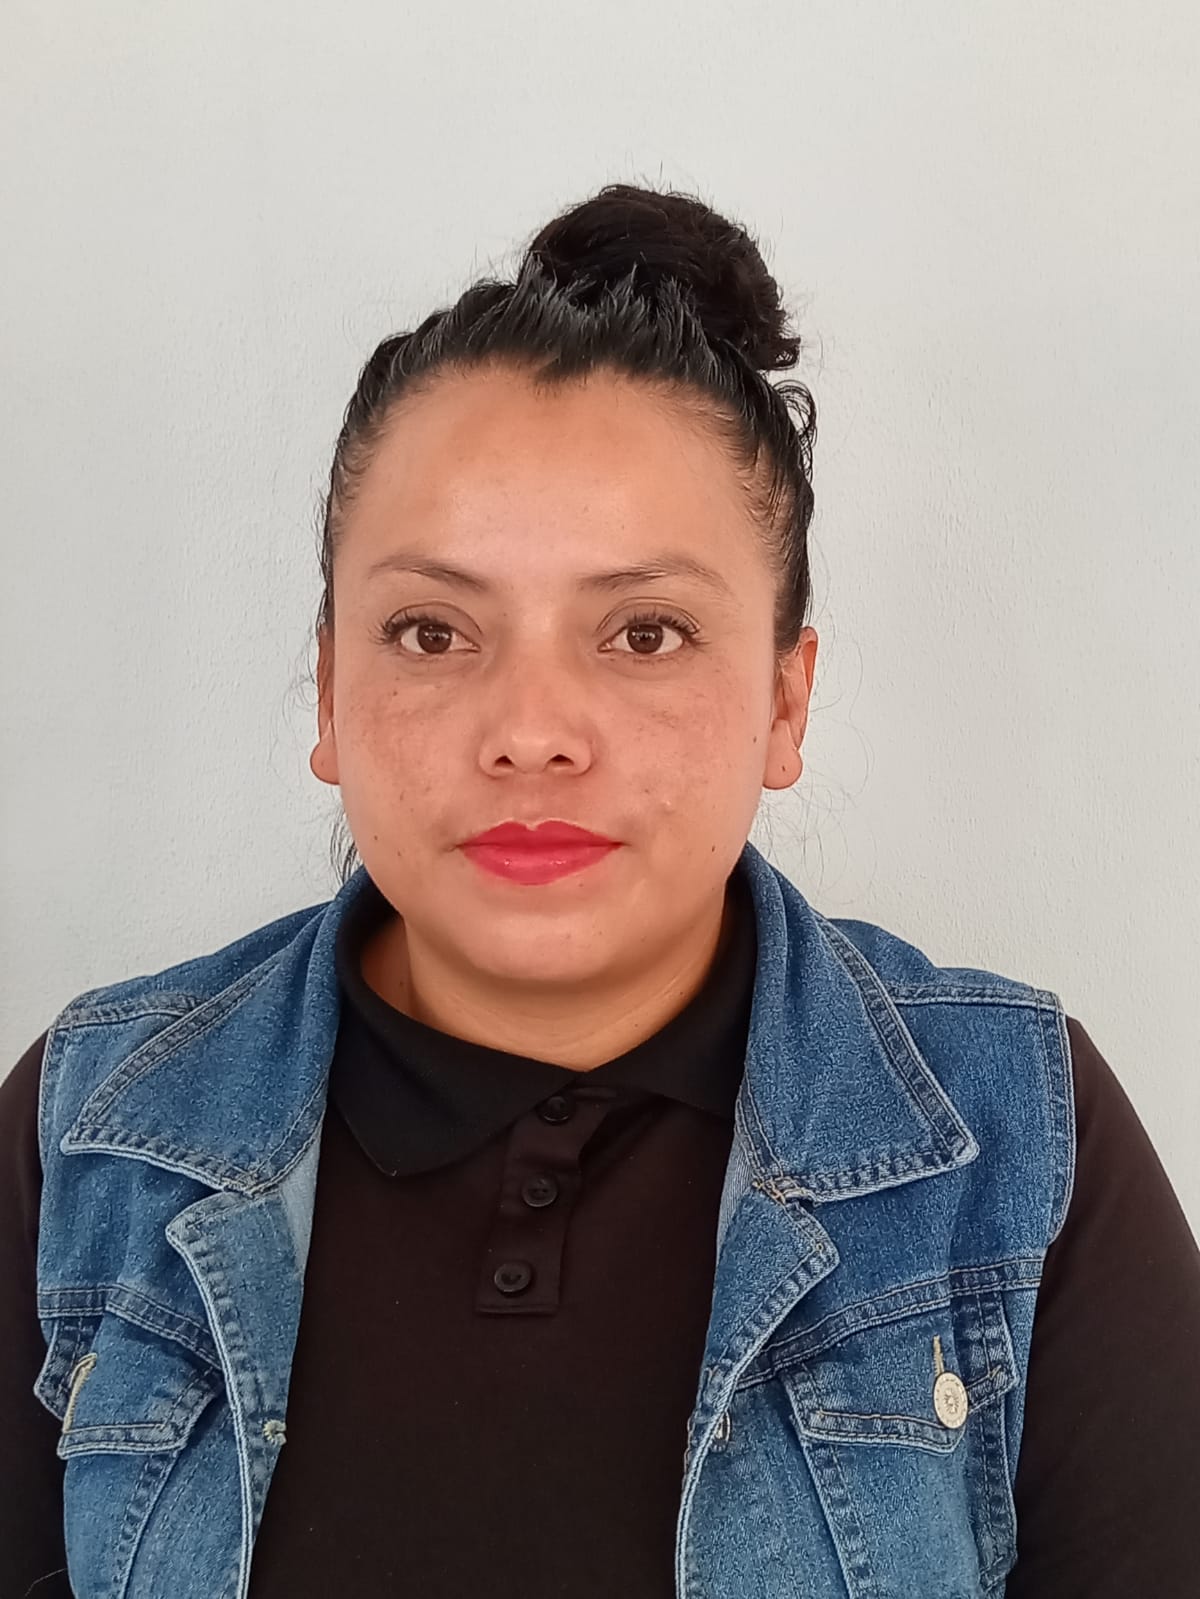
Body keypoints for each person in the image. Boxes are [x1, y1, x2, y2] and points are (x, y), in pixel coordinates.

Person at [2, 182, 1199, 1599]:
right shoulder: (93, 1130)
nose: (531, 731)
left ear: (784, 703)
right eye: (433, 630)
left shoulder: (1013, 1141)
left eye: (645, 632)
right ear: (327, 692)